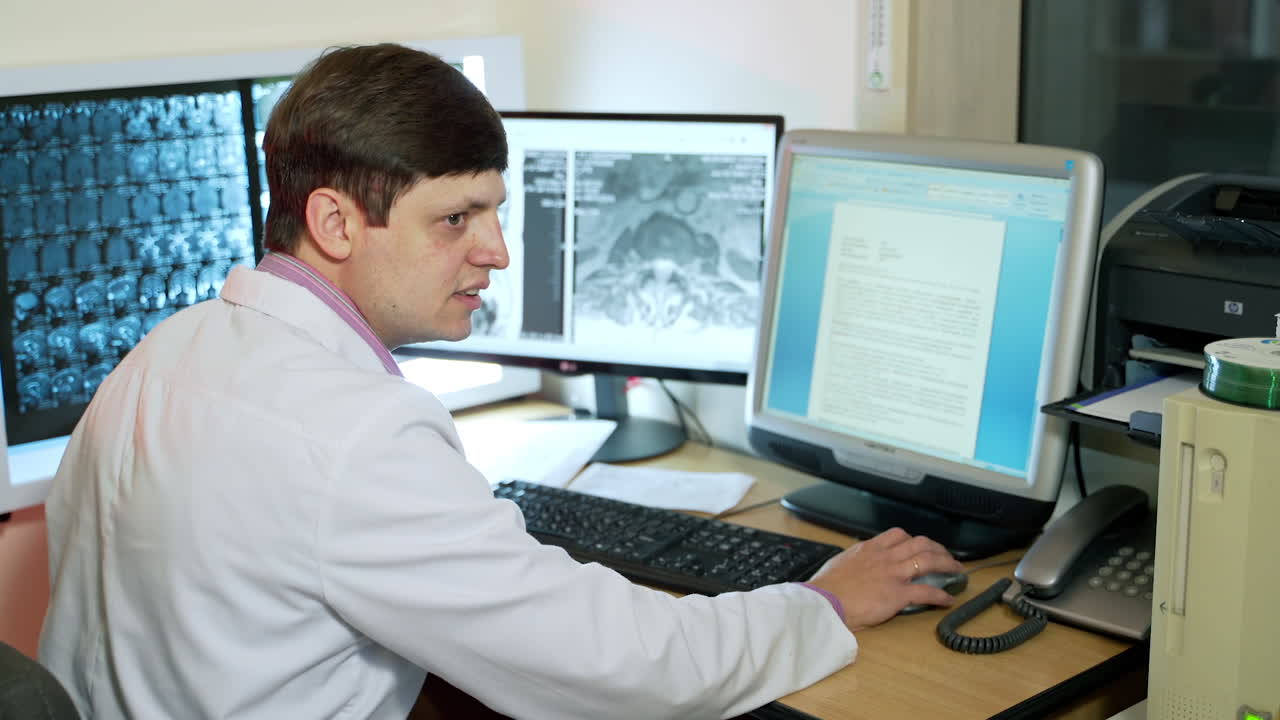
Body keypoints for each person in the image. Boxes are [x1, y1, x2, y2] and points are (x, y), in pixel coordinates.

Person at [38, 43, 964, 720]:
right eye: (457, 219)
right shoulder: (356, 436)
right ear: (336, 221)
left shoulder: (163, 354)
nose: (499, 252)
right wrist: (823, 604)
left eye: (496, 212)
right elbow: (615, 667)